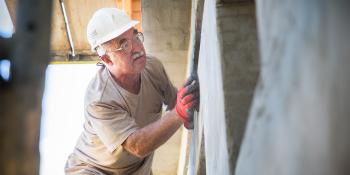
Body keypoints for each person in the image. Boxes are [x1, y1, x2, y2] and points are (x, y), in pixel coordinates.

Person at [65, 8, 199, 175]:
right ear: (106, 59)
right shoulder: (99, 100)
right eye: (124, 45)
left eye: (136, 36)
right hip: (92, 170)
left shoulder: (153, 68)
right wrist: (180, 112)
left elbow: (177, 103)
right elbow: (137, 145)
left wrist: (188, 106)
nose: (137, 48)